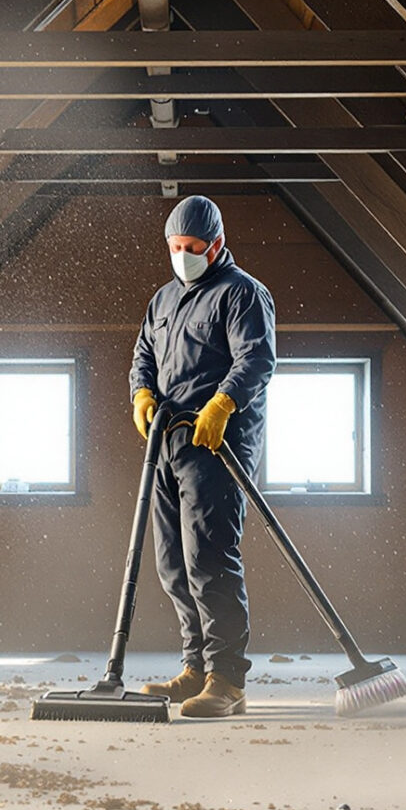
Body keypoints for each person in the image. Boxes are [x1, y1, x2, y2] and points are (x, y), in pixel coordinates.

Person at [129, 194, 276, 719]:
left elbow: (256, 358)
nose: (183, 255)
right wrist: (142, 393)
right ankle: (195, 668)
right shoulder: (163, 300)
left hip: (217, 446)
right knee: (173, 564)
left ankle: (227, 680)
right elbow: (144, 354)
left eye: (192, 247)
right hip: (166, 446)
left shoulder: (242, 294)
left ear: (215, 244)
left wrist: (222, 404)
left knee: (209, 560)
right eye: (175, 247)